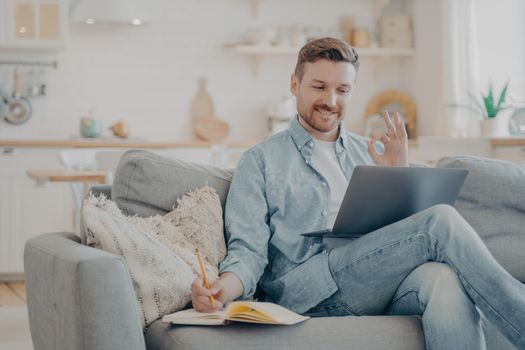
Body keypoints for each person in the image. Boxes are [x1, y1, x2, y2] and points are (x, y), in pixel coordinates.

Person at [190, 37, 525, 349]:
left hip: (374, 284)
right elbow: (248, 251)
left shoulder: (371, 151)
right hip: (308, 291)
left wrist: (398, 169)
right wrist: (223, 288)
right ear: (295, 85)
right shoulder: (260, 160)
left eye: (343, 90)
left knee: (443, 279)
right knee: (439, 220)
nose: (331, 101)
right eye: (319, 87)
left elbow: (402, 241)